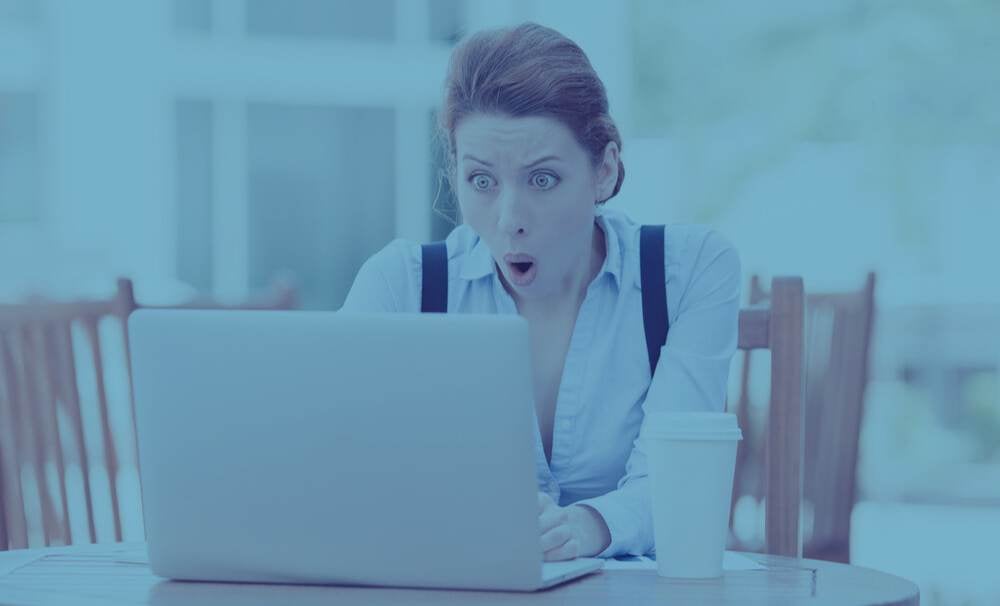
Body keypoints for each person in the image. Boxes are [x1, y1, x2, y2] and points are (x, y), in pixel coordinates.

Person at [341, 22, 741, 561]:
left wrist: (586, 528)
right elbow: (343, 476)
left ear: (604, 170)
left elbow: (677, 486)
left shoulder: (690, 271)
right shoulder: (399, 286)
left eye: (543, 180)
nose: (509, 222)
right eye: (482, 181)